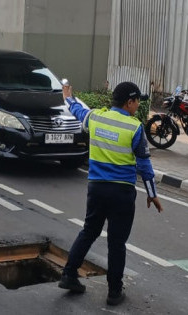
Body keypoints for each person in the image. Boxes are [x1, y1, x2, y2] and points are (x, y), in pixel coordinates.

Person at [58, 81, 163, 307]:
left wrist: (68, 97)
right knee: (117, 242)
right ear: (129, 102)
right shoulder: (134, 128)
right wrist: (152, 193)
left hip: (96, 188)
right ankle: (114, 291)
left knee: (89, 231)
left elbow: (78, 111)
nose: (138, 107)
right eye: (137, 102)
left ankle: (68, 275)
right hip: (121, 192)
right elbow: (144, 166)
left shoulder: (96, 118)